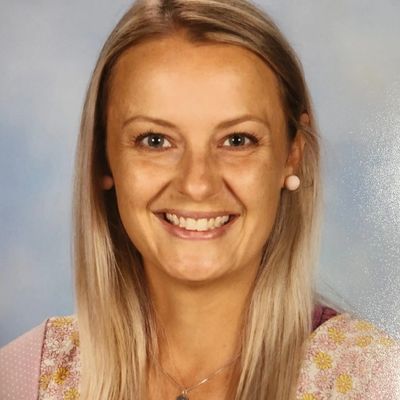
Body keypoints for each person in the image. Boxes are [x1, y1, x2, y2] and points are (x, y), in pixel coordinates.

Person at [1, 0, 399, 399]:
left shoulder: (377, 381)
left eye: (237, 140)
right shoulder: (26, 378)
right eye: (155, 141)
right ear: (103, 156)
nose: (197, 184)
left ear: (291, 153)